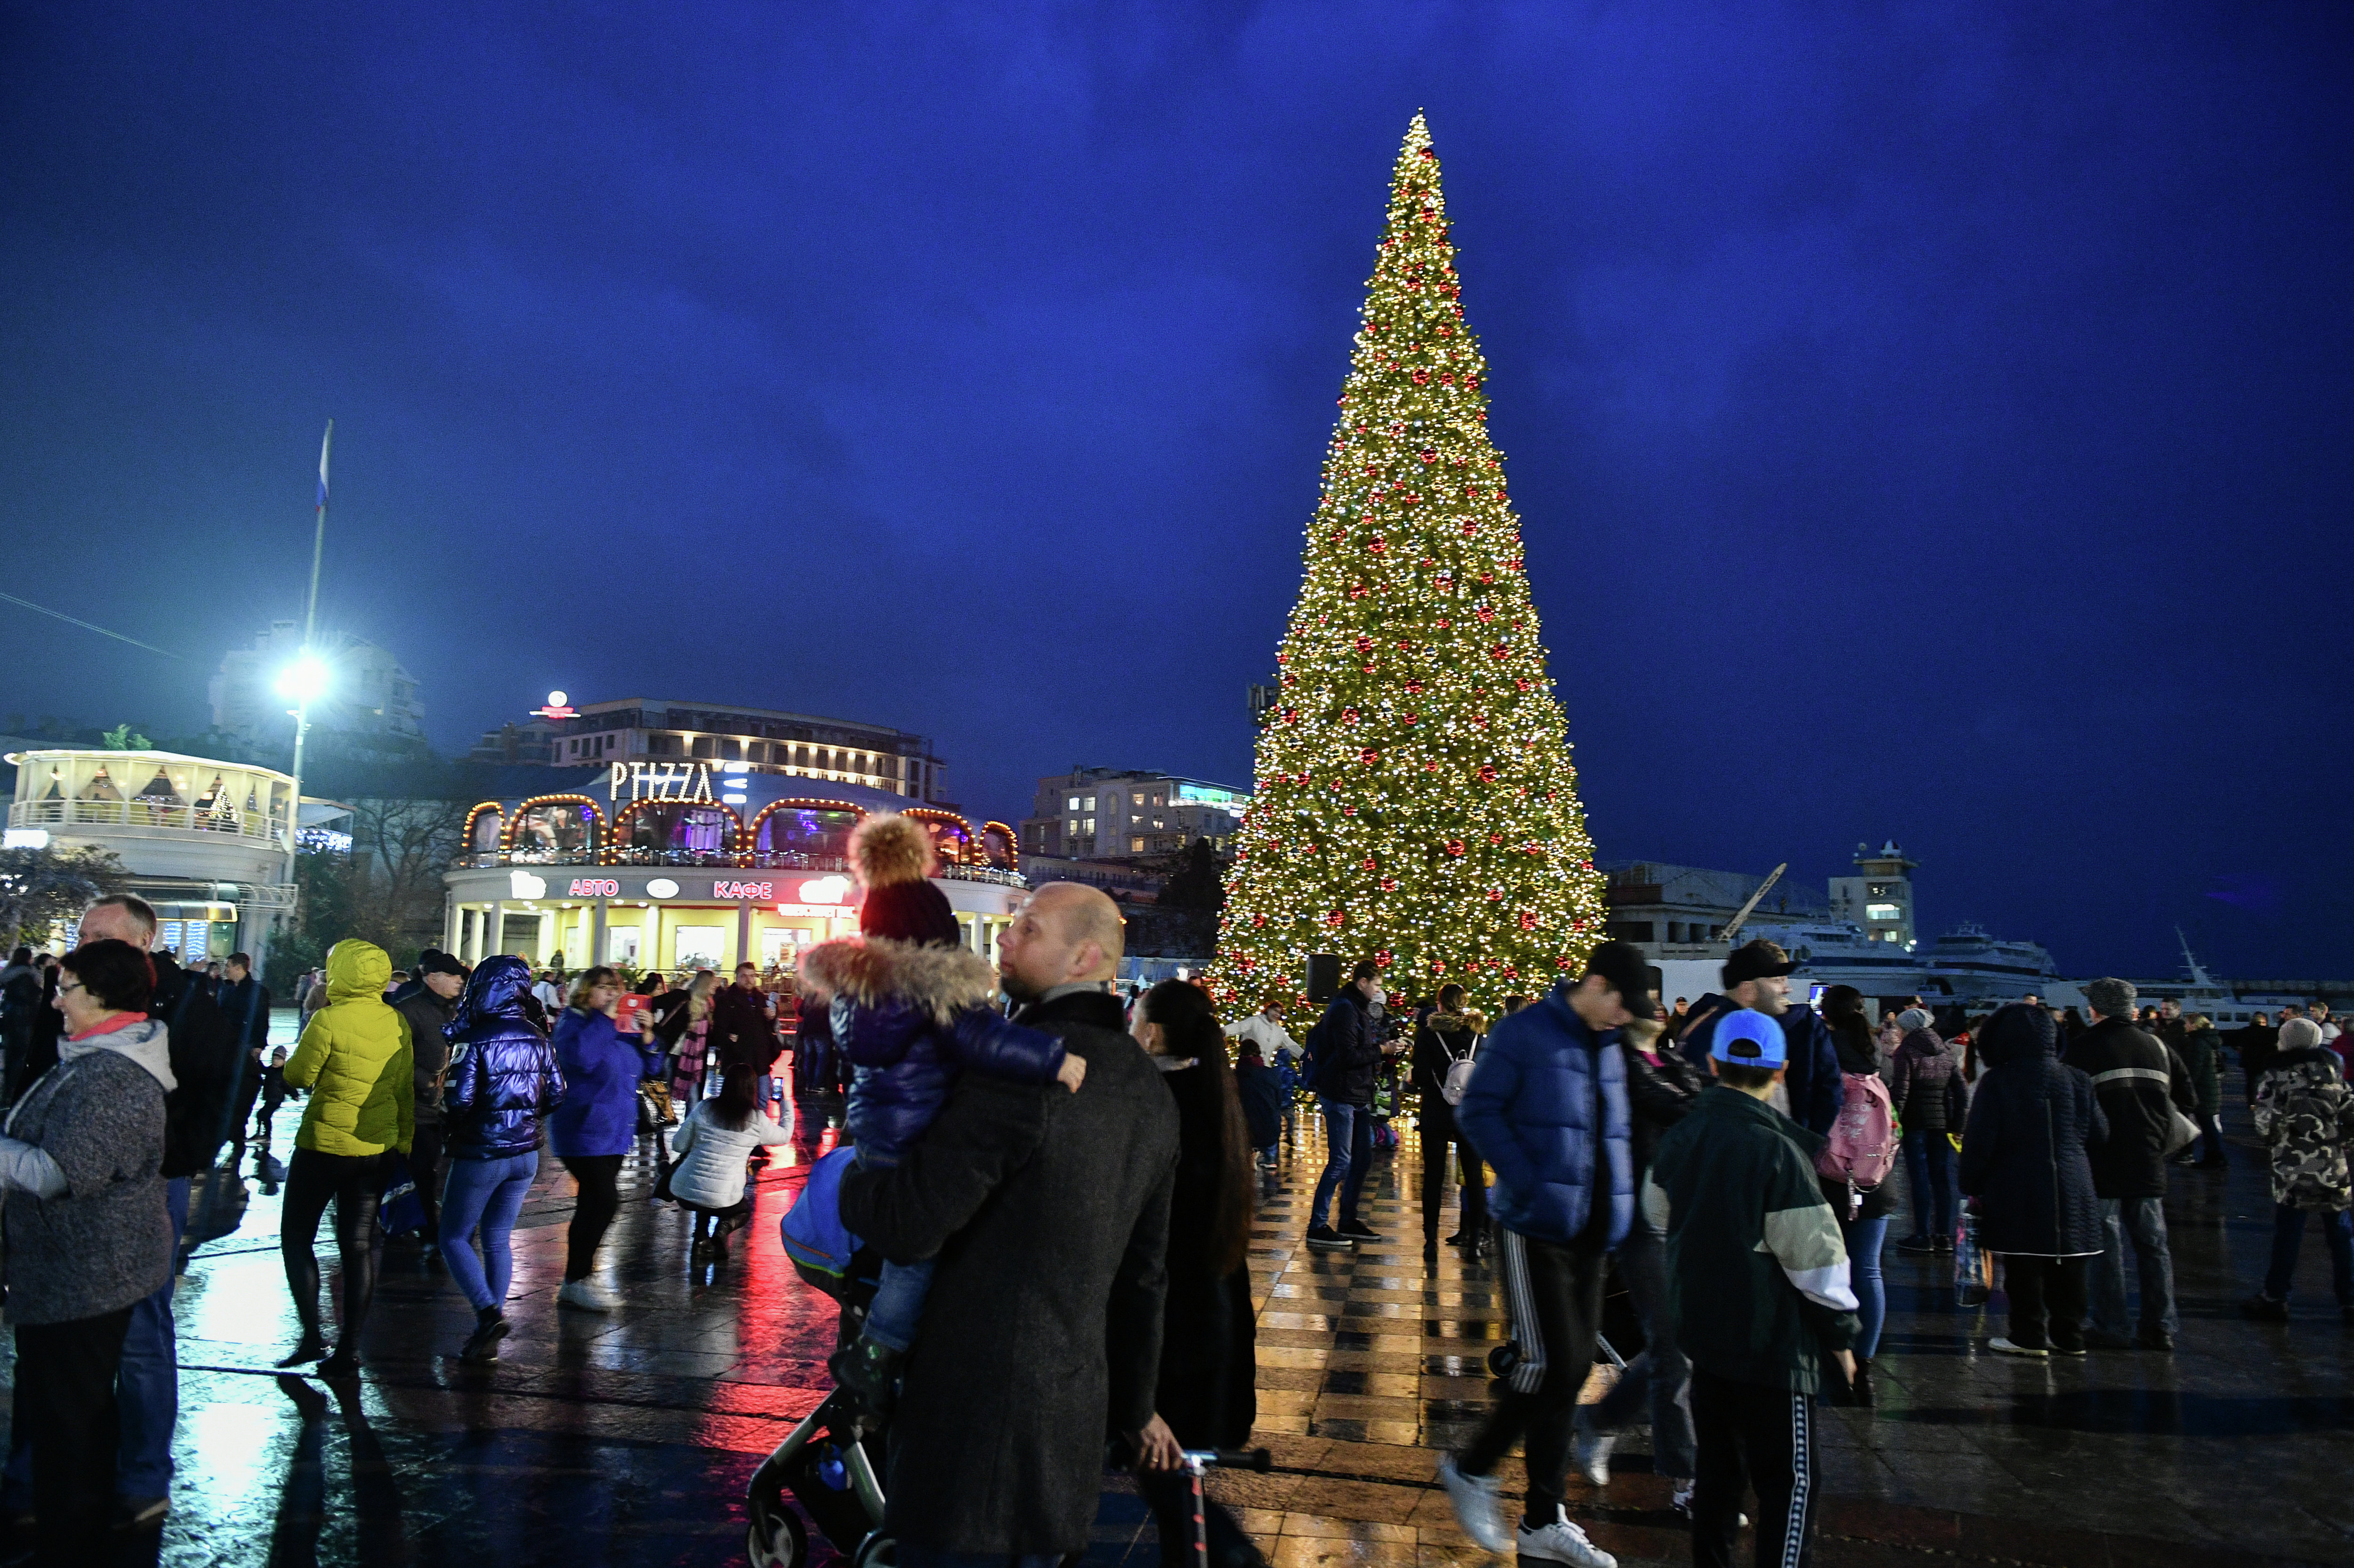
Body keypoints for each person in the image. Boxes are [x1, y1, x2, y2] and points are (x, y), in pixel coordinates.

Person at [835, 882, 1180, 1567]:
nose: (1005, 938)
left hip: (970, 1425)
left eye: (1028, 927)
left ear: (1084, 956)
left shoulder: (1022, 1066)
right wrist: (1136, 1403)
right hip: (1067, 1428)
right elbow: (1144, 1273)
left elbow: (910, 1223)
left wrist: (858, 1174)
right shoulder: (1149, 1088)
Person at [799, 813, 1078, 1407]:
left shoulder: (860, 993)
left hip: (876, 1134)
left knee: (894, 1240)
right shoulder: (934, 992)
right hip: (918, 1135)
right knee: (918, 1253)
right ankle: (878, 1351)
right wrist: (1053, 1057)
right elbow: (985, 1039)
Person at [1440, 941, 1639, 1568]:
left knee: (1573, 1367)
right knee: (1548, 1361)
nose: (1624, 1018)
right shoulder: (1526, 1032)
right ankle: (1472, 1467)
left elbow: (1616, 1129)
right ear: (1598, 983)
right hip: (1535, 1225)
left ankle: (1543, 1518)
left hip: (1592, 1231)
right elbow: (1478, 1109)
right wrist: (1526, 1177)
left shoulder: (1608, 1044)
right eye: (1621, 1004)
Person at [1642, 1008, 1860, 1568]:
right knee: (1790, 1482)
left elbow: (1655, 1212)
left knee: (1717, 1476)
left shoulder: (1682, 1135)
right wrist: (1841, 1335)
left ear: (1712, 1064)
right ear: (1781, 1070)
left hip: (1705, 1336)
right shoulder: (1777, 1151)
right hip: (1773, 1346)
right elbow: (1817, 1263)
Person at [64, 893, 239, 1525]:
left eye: (100, 934)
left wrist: (176, 1156)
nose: (85, 943)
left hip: (145, 1184)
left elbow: (223, 1081)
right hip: (60, 1180)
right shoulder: (67, 988)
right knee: (55, 1327)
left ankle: (143, 1474)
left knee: (140, 1327)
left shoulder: (188, 1000)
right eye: (83, 933)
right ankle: (39, 1474)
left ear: (143, 940)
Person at [0, 939, 173, 1560]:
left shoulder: (113, 1073)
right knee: (76, 1411)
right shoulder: (96, 1056)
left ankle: (71, 1540)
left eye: (66, 987)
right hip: (73, 1271)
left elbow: (62, 1171)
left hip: (89, 1273)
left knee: (69, 1420)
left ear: (100, 995)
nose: (55, 998)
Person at [1129, 979, 1262, 1568]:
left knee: (1173, 1487)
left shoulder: (1156, 1110)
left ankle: (1236, 1557)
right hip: (1216, 1327)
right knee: (1178, 1488)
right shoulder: (1217, 1102)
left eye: (1134, 1023)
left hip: (1174, 1337)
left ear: (1152, 1034)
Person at [1574, 1008, 1703, 1507]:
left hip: (1682, 1214)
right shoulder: (1621, 1062)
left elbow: (1693, 1102)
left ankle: (1600, 1418)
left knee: (1680, 1345)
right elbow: (1682, 1105)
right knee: (1671, 1345)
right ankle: (1687, 1478)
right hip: (1638, 1218)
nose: (1654, 1005)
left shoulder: (1674, 1061)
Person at [277, 938, 413, 1377]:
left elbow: (299, 1074)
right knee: (358, 1247)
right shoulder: (397, 1021)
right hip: (376, 1148)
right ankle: (350, 1348)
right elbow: (402, 1089)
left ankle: (313, 1333)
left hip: (324, 1145)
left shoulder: (327, 1020)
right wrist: (403, 1140)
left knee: (298, 1237)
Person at [1959, 1005, 2105, 1356]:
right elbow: (2100, 1133)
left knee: (2024, 1263)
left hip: (2016, 1182)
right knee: (2071, 1262)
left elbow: (1980, 1140)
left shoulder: (1998, 1080)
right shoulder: (2077, 1078)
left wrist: (1971, 1183)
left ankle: (2029, 1334)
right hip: (2074, 1181)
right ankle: (2070, 1335)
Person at [438, 956, 564, 1363]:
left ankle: (487, 1313)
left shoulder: (475, 1038)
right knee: (497, 1238)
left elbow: (458, 1100)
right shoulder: (538, 1035)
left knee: (454, 1236)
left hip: (481, 1152)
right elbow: (558, 1094)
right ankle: (487, 1328)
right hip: (525, 1153)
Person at [2065, 978, 2194, 1352]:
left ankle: (2111, 1323)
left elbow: (2071, 1105)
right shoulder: (2157, 1045)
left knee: (2106, 1244)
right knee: (2154, 1244)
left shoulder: (2083, 1048)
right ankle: (2161, 1325)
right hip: (2148, 1157)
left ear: (2097, 1010)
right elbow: (2189, 1097)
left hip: (2102, 1158)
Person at [547, 966, 664, 1311]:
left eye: (616, 989)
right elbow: (581, 1059)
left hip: (615, 1129)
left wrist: (648, 1038)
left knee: (593, 1203)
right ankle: (578, 1278)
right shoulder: (576, 1022)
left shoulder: (621, 1027)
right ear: (586, 992)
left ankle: (579, 1278)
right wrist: (607, 1020)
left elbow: (654, 1070)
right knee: (603, 1201)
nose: (613, 995)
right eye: (603, 988)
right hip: (583, 1127)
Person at [1808, 986, 1896, 1402]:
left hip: (1828, 1177)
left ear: (1825, 1015)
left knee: (1824, 1267)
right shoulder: (1875, 1050)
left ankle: (1831, 1354)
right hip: (1874, 1177)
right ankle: (1865, 1365)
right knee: (1869, 1270)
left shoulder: (1822, 1047)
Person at [2241, 1017, 2354, 1324]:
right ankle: (2350, 1300)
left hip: (2293, 1164)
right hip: (2331, 1164)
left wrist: (2278, 1143)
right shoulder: (2335, 1073)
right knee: (2341, 1235)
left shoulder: (2276, 1074)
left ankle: (2276, 1297)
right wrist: (2339, 1142)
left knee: (2289, 1233)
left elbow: (2267, 1126)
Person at [1676, 941, 1841, 1136]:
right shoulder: (1719, 1034)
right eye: (1778, 980)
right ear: (1748, 990)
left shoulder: (1707, 1024)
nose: (1788, 989)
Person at [1304, 960, 1398, 1250]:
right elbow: (1347, 1055)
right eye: (1377, 985)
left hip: (1357, 1094)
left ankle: (1348, 1219)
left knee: (1362, 1158)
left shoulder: (1356, 1008)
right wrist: (1382, 1050)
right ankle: (1317, 1225)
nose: (1380, 991)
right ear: (1363, 983)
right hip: (1341, 1094)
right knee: (1341, 1162)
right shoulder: (1345, 1008)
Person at [669, 1060, 792, 1259]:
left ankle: (700, 1236)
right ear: (752, 1089)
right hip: (723, 1197)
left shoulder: (705, 1108)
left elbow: (678, 1145)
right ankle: (721, 1232)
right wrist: (785, 1103)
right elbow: (785, 1136)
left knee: (705, 1192)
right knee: (741, 1210)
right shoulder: (755, 1120)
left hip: (685, 1189)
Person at [392, 953, 467, 1245]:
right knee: (421, 1169)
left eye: (460, 975)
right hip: (417, 1108)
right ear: (431, 977)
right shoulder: (411, 1011)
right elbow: (398, 1056)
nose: (460, 980)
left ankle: (426, 1226)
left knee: (432, 1168)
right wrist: (425, 1082)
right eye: (452, 975)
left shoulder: (455, 1011)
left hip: (443, 1107)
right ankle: (425, 1229)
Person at [1412, 983, 1489, 1259]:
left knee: (1433, 1176)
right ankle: (1476, 1242)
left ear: (1440, 1003)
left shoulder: (1429, 1034)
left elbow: (1420, 1074)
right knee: (1473, 1177)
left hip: (1436, 1112)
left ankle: (1431, 1241)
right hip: (1469, 1115)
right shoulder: (1479, 1035)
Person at [1889, 1008, 1964, 1256]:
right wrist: (1957, 1125)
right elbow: (1961, 1091)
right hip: (1941, 1124)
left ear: (1906, 1028)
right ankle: (1944, 1236)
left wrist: (1892, 1124)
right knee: (1941, 1180)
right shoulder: (1945, 1051)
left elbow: (1901, 1092)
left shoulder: (1907, 1052)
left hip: (1915, 1124)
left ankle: (1922, 1235)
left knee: (1919, 1179)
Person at [710, 959, 782, 1127]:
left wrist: (771, 1018)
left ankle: (758, 1134)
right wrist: (730, 1040)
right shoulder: (727, 1000)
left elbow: (767, 1027)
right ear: (737, 978)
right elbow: (719, 1030)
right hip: (738, 1059)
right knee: (739, 1099)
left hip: (761, 1058)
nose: (749, 980)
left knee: (762, 1099)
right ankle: (737, 1132)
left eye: (752, 976)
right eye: (744, 976)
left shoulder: (760, 998)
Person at [216, 952, 271, 1163]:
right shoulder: (229, 989)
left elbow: (261, 1020)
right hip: (228, 1046)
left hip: (244, 1046)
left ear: (239, 967)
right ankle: (232, 1133)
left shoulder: (255, 992)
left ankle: (236, 1134)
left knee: (239, 1092)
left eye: (228, 965)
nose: (226, 969)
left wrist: (258, 1046)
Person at [2177, 1013, 2228, 1169]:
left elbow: (2194, 1070)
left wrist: (2185, 1086)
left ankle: (2217, 1158)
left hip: (2202, 1091)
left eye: (2187, 1024)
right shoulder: (2206, 1041)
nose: (2185, 1026)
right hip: (2208, 1089)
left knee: (2208, 1125)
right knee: (2208, 1124)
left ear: (2195, 1025)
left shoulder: (2197, 1043)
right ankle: (2214, 1157)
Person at [1233, 1036, 1286, 1178]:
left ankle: (1249, 1154)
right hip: (1271, 1129)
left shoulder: (1235, 1076)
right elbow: (1278, 1100)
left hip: (1245, 1130)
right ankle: (1270, 1158)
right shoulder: (1271, 1074)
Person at [0, 945, 40, 1102]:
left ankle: (8, 1087)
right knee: (21, 1053)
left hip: (10, 1015)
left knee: (10, 1051)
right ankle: (14, 1087)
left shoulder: (8, 974)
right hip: (26, 1017)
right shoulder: (31, 975)